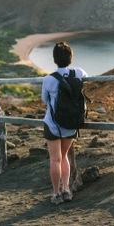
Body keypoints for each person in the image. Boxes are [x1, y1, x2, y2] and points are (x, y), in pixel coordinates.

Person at [42, 41, 88, 205]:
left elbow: (45, 99)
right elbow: (85, 82)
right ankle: (66, 190)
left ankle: (56, 194)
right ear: (71, 58)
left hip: (53, 124)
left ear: (54, 59)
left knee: (55, 159)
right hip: (71, 124)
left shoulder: (48, 79)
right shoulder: (79, 72)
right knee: (64, 157)